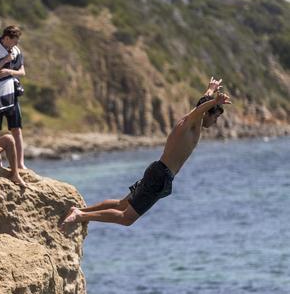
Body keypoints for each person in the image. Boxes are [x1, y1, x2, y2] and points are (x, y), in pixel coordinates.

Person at [60, 77, 232, 228]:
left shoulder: (194, 126)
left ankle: (79, 210)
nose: (216, 121)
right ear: (207, 113)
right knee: (126, 218)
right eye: (215, 116)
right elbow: (200, 108)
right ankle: (81, 216)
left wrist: (210, 90)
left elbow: (201, 105)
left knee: (122, 204)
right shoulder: (188, 123)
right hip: (160, 176)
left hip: (159, 172)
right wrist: (214, 100)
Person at [0, 25, 27, 169]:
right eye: (15, 40)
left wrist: (9, 71)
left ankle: (20, 163)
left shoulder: (16, 51)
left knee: (16, 129)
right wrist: (4, 60)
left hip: (12, 94)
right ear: (6, 38)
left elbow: (22, 72)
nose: (17, 43)